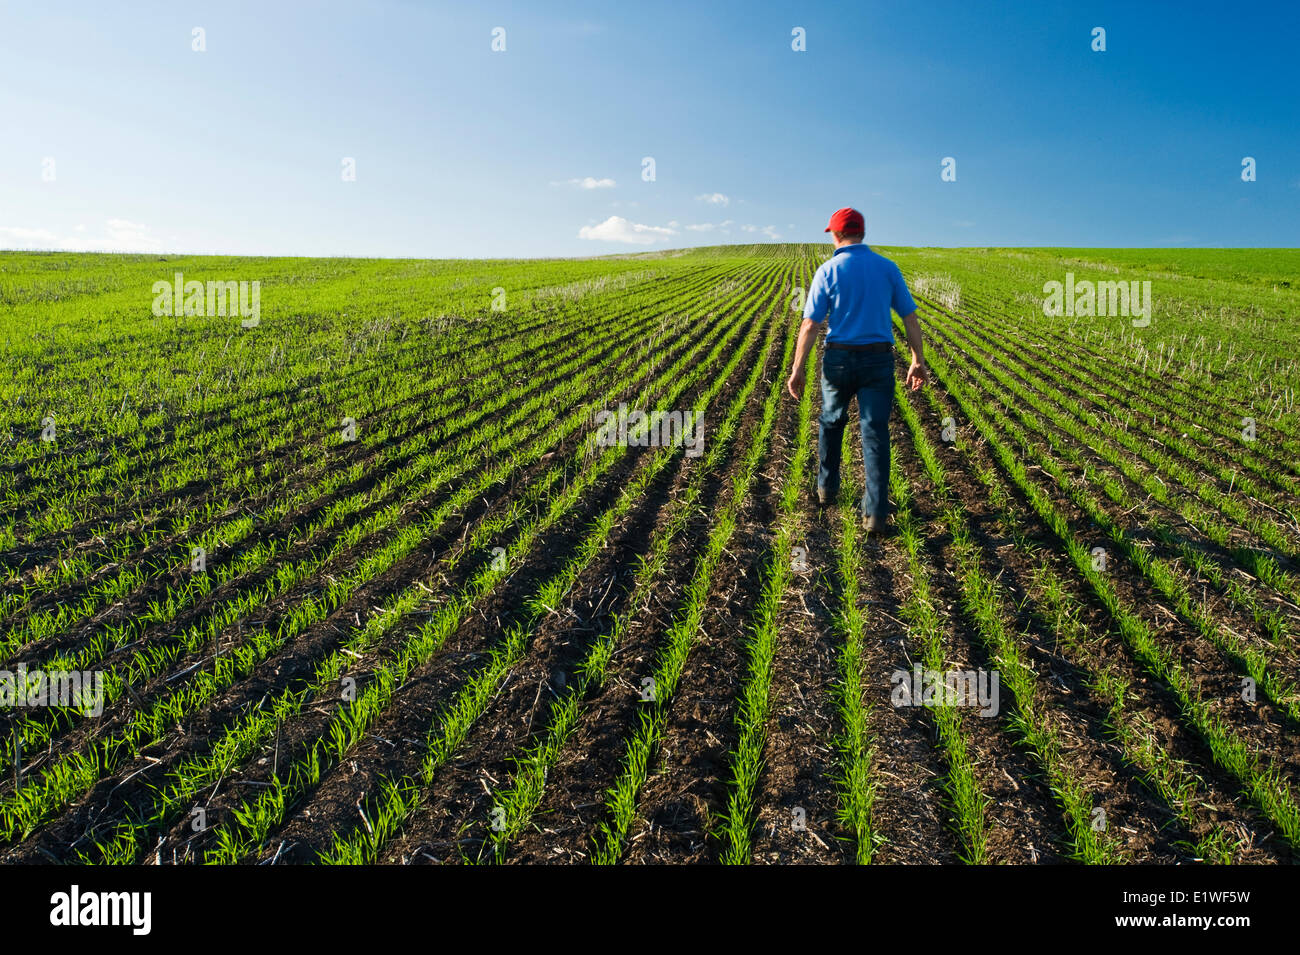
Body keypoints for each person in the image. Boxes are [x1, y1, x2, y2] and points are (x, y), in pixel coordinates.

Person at [786, 207, 927, 535]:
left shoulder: (827, 271)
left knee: (832, 422)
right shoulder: (887, 269)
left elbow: (810, 324)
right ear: (862, 233)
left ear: (836, 235)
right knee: (875, 431)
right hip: (878, 360)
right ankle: (876, 512)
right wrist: (916, 359)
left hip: (838, 360)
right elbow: (909, 318)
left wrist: (798, 368)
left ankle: (826, 489)